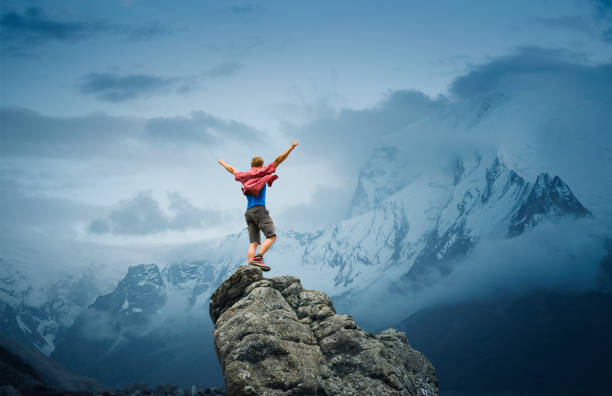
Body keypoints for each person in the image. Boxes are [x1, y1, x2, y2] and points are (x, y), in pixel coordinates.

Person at [218, 141, 299, 271]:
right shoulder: (263, 172)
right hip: (259, 210)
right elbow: (278, 160)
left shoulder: (244, 176)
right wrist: (290, 148)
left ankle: (251, 267)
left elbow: (232, 170)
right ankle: (258, 257)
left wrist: (223, 163)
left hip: (248, 212)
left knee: (254, 242)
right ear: (261, 165)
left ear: (251, 165)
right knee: (272, 236)